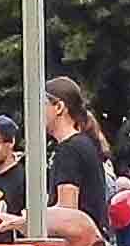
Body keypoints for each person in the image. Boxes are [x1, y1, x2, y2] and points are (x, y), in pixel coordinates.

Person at [44, 76, 112, 231]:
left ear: (59, 107)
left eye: (41, 105)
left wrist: (24, 220)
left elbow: (67, 213)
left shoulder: (69, 150)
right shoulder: (82, 144)